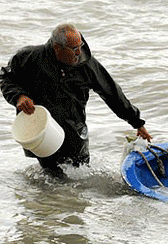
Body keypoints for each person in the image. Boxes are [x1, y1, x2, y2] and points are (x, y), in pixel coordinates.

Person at [0, 23, 152, 177]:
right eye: (74, 49)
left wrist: (137, 122)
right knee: (52, 178)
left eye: (80, 46)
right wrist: (18, 96)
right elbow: (5, 78)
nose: (79, 52)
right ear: (57, 47)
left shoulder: (88, 64)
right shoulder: (29, 57)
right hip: (42, 130)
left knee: (81, 174)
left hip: (75, 129)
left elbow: (112, 94)